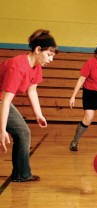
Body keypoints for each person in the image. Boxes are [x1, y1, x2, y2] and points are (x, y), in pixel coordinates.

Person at [0, 29, 58, 182]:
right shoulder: (17, 67)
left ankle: (22, 174)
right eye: (49, 55)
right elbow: (5, 101)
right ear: (38, 50)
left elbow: (32, 90)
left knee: (23, 133)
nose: (51, 59)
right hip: (1, 100)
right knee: (23, 132)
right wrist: (2, 130)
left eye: (53, 56)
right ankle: (22, 174)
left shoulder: (36, 65)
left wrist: (39, 115)